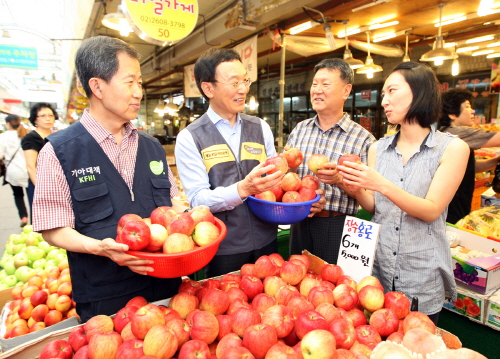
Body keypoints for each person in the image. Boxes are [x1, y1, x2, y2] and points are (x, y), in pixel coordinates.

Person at [32, 36, 185, 322]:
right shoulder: (60, 151)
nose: (139, 92)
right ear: (97, 86)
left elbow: (171, 202)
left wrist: (192, 216)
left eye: (140, 83)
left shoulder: (151, 146)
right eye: (130, 82)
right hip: (106, 298)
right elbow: (52, 229)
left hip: (166, 287)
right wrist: (98, 247)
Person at [337, 62, 469, 324]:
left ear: (418, 93)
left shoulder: (452, 149)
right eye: (383, 93)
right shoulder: (378, 148)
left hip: (421, 273)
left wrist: (380, 183)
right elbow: (376, 207)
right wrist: (353, 188)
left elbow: (431, 210)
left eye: (392, 91)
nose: (384, 100)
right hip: (379, 269)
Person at [175, 48, 324, 278]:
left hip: (267, 242)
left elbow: (276, 182)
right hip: (222, 248)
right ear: (208, 88)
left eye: (245, 80)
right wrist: (243, 189)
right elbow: (198, 200)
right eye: (234, 82)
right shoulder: (190, 137)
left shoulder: (260, 127)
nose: (243, 89)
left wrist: (304, 199)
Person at [285, 58, 375, 265]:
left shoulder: (363, 140)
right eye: (315, 84)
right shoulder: (300, 130)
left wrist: (339, 180)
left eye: (325, 84)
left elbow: (371, 200)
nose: (317, 90)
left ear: (346, 90)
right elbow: (287, 178)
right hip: (299, 223)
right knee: (295, 288)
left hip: (338, 225)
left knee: (334, 290)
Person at [438, 87, 500, 223]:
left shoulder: (445, 131)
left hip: (452, 203)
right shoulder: (458, 133)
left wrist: (496, 160)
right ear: (453, 114)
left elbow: (471, 168)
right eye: (467, 106)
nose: (473, 111)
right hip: (453, 205)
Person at [21, 103, 57, 221]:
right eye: (43, 116)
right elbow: (31, 167)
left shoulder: (56, 136)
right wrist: (41, 189)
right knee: (42, 218)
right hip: (39, 184)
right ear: (35, 119)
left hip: (56, 183)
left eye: (50, 115)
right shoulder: (31, 138)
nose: (48, 118)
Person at [0, 115, 29, 227]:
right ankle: (35, 220)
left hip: (13, 172)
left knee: (18, 195)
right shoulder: (25, 134)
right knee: (32, 196)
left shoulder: (3, 137)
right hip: (28, 170)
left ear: (8, 124)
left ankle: (23, 216)